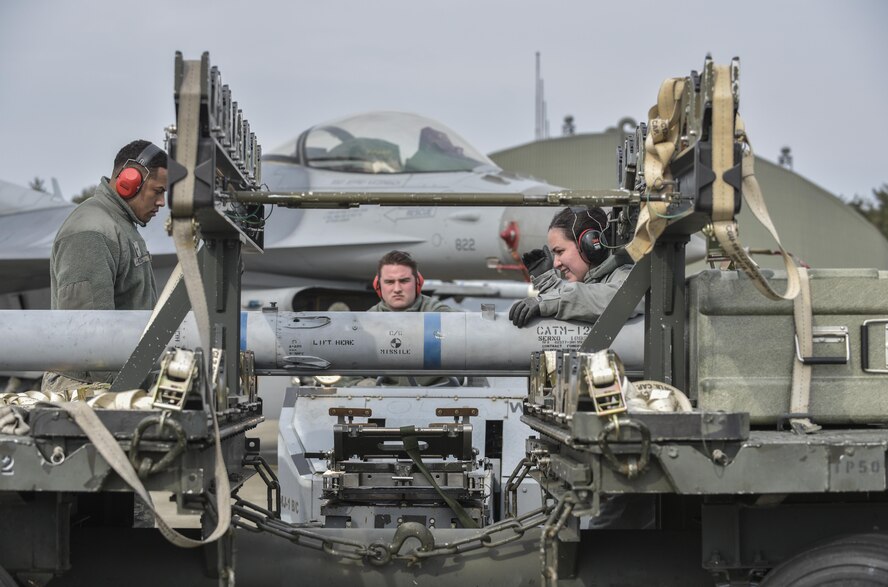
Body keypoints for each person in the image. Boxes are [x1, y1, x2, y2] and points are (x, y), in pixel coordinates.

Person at [42, 140, 168, 392]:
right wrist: (131, 388)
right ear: (129, 181)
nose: (162, 202)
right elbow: (87, 338)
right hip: (87, 389)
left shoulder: (118, 225)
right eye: (157, 191)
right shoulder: (92, 231)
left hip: (110, 383)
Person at [509, 207, 641, 327]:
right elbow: (585, 299)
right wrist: (546, 283)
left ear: (589, 244)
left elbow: (611, 299)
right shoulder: (598, 281)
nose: (556, 264)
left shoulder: (630, 278)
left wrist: (545, 301)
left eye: (560, 251)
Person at [369, 250, 452, 313]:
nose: (397, 289)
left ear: (417, 283)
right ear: (378, 285)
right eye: (389, 282)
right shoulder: (367, 320)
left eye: (404, 281)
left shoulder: (439, 313)